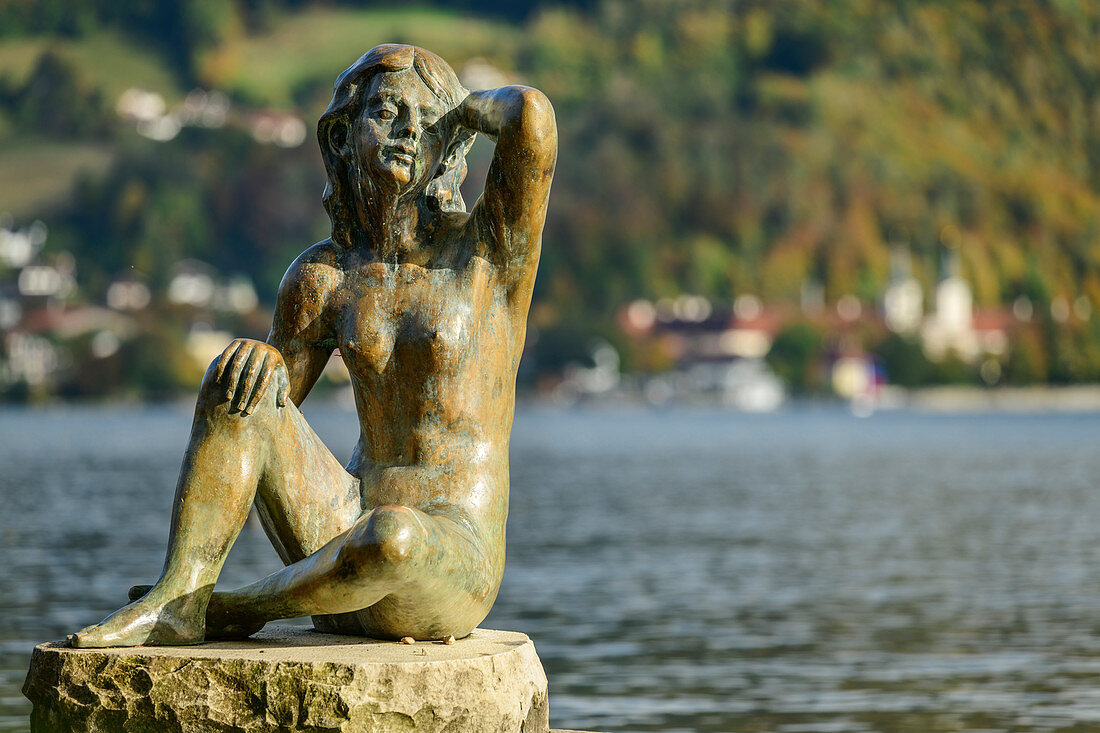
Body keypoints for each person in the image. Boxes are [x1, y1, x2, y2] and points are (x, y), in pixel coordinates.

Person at [70, 43, 556, 647]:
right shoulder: (324, 277)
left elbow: (531, 116)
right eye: (386, 113)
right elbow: (265, 418)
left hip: (446, 556)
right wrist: (261, 366)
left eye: (425, 122)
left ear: (449, 144)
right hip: (338, 526)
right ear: (344, 138)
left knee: (392, 538)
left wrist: (458, 111)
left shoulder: (486, 256)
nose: (408, 132)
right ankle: (180, 596)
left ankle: (235, 606)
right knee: (241, 375)